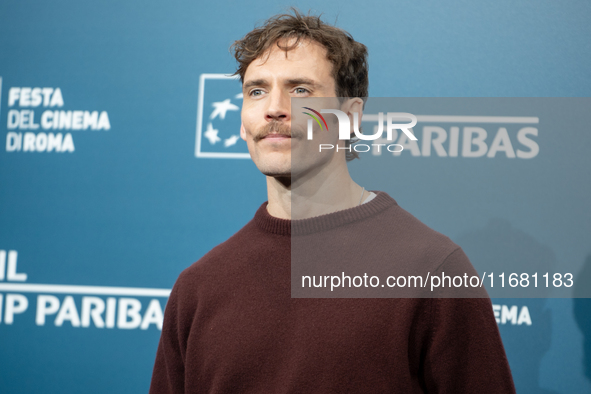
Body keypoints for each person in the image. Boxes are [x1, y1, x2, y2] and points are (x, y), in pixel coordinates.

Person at [149, 9, 516, 393]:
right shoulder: (199, 286)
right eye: (257, 90)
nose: (274, 107)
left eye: (300, 90)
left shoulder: (431, 268)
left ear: (350, 117)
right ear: (243, 121)